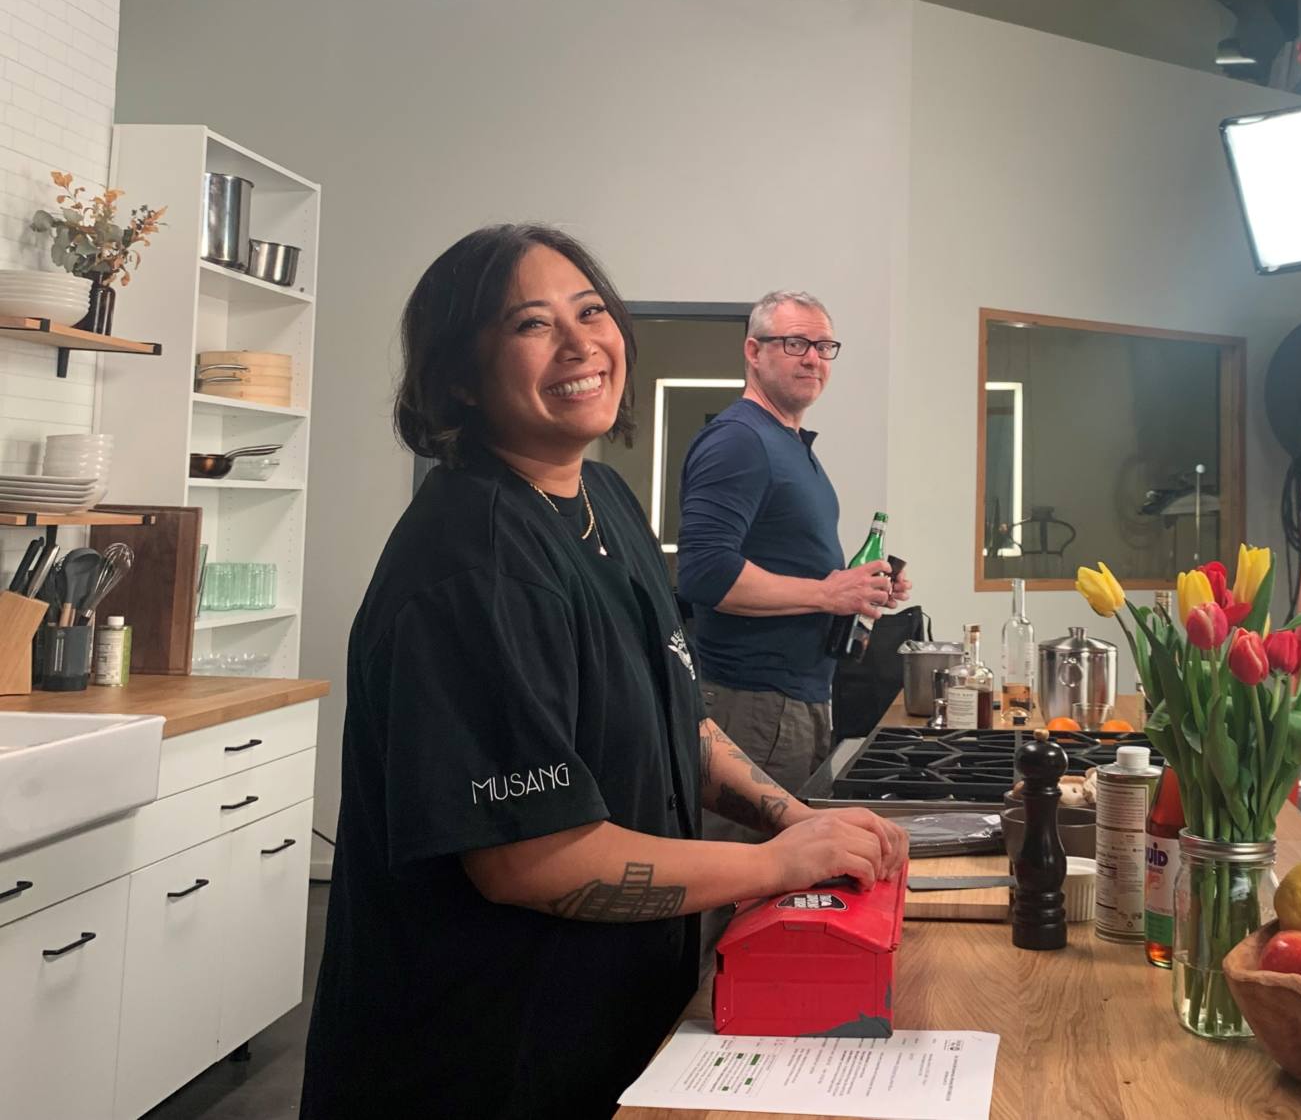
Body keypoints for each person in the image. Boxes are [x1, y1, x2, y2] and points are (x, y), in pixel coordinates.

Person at [300, 227, 906, 1119]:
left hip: (604, 1030)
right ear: (460, 376)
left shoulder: (602, 498)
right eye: (531, 326)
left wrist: (793, 814)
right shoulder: (475, 562)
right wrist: (777, 863)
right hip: (478, 1060)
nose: (583, 343)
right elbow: (534, 860)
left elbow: (679, 714)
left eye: (592, 312)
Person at [676, 290, 909, 838]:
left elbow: (793, 564)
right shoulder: (740, 441)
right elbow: (704, 573)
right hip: (751, 709)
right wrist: (828, 594)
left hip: (792, 704)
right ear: (753, 351)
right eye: (796, 343)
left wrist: (859, 589)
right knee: (741, 890)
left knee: (779, 887)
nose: (814, 358)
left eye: (825, 346)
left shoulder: (788, 444)